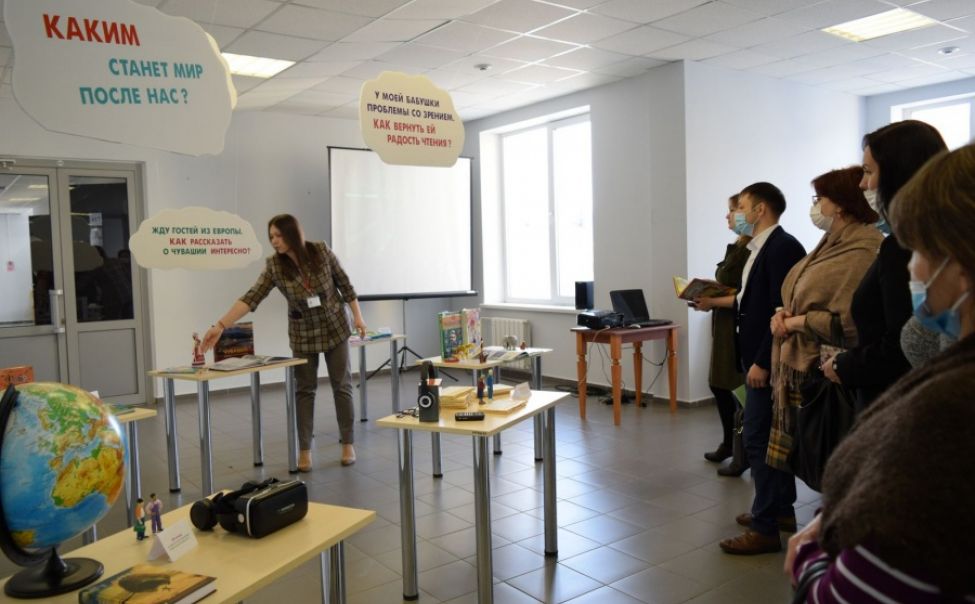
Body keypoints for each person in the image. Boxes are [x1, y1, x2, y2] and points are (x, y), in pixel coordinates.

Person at [787, 143, 975, 602]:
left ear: (960, 263)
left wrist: (810, 555)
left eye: (920, 249)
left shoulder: (945, 420)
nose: (913, 267)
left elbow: (847, 594)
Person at [202, 214, 366, 470]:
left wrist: (358, 317)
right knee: (305, 391)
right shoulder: (275, 266)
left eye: (278, 235)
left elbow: (345, 286)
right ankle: (305, 450)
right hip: (303, 334)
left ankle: (347, 443)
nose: (274, 241)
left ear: (293, 233)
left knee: (342, 387)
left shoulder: (321, 251)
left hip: (335, 327)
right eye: (271, 237)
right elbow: (251, 298)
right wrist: (220, 325)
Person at [766, 167, 882, 487]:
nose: (816, 206)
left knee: (832, 455)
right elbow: (801, 291)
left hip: (833, 372)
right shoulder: (829, 243)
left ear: (841, 204)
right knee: (807, 452)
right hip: (802, 359)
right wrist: (782, 315)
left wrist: (796, 322)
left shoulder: (864, 248)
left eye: (820, 199)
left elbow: (849, 320)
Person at [821, 121, 947, 413]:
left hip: (897, 401)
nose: (862, 184)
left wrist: (846, 365)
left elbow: (900, 344)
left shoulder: (904, 245)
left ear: (898, 174)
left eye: (868, 172)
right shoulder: (915, 240)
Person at [718, 182, 806, 555]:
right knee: (767, 436)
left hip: (766, 361)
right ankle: (780, 510)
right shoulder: (757, 248)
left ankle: (765, 526)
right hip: (754, 356)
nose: (736, 213)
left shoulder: (782, 247)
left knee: (757, 437)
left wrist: (761, 362)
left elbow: (780, 311)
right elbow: (749, 303)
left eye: (741, 206)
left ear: (760, 210)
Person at [691, 194, 751, 476]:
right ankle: (730, 443)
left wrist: (712, 300)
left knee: (736, 390)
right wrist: (708, 290)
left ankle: (742, 448)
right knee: (719, 384)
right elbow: (731, 285)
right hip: (724, 323)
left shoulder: (753, 250)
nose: (729, 216)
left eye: (735, 209)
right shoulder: (738, 246)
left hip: (738, 326)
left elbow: (745, 295)